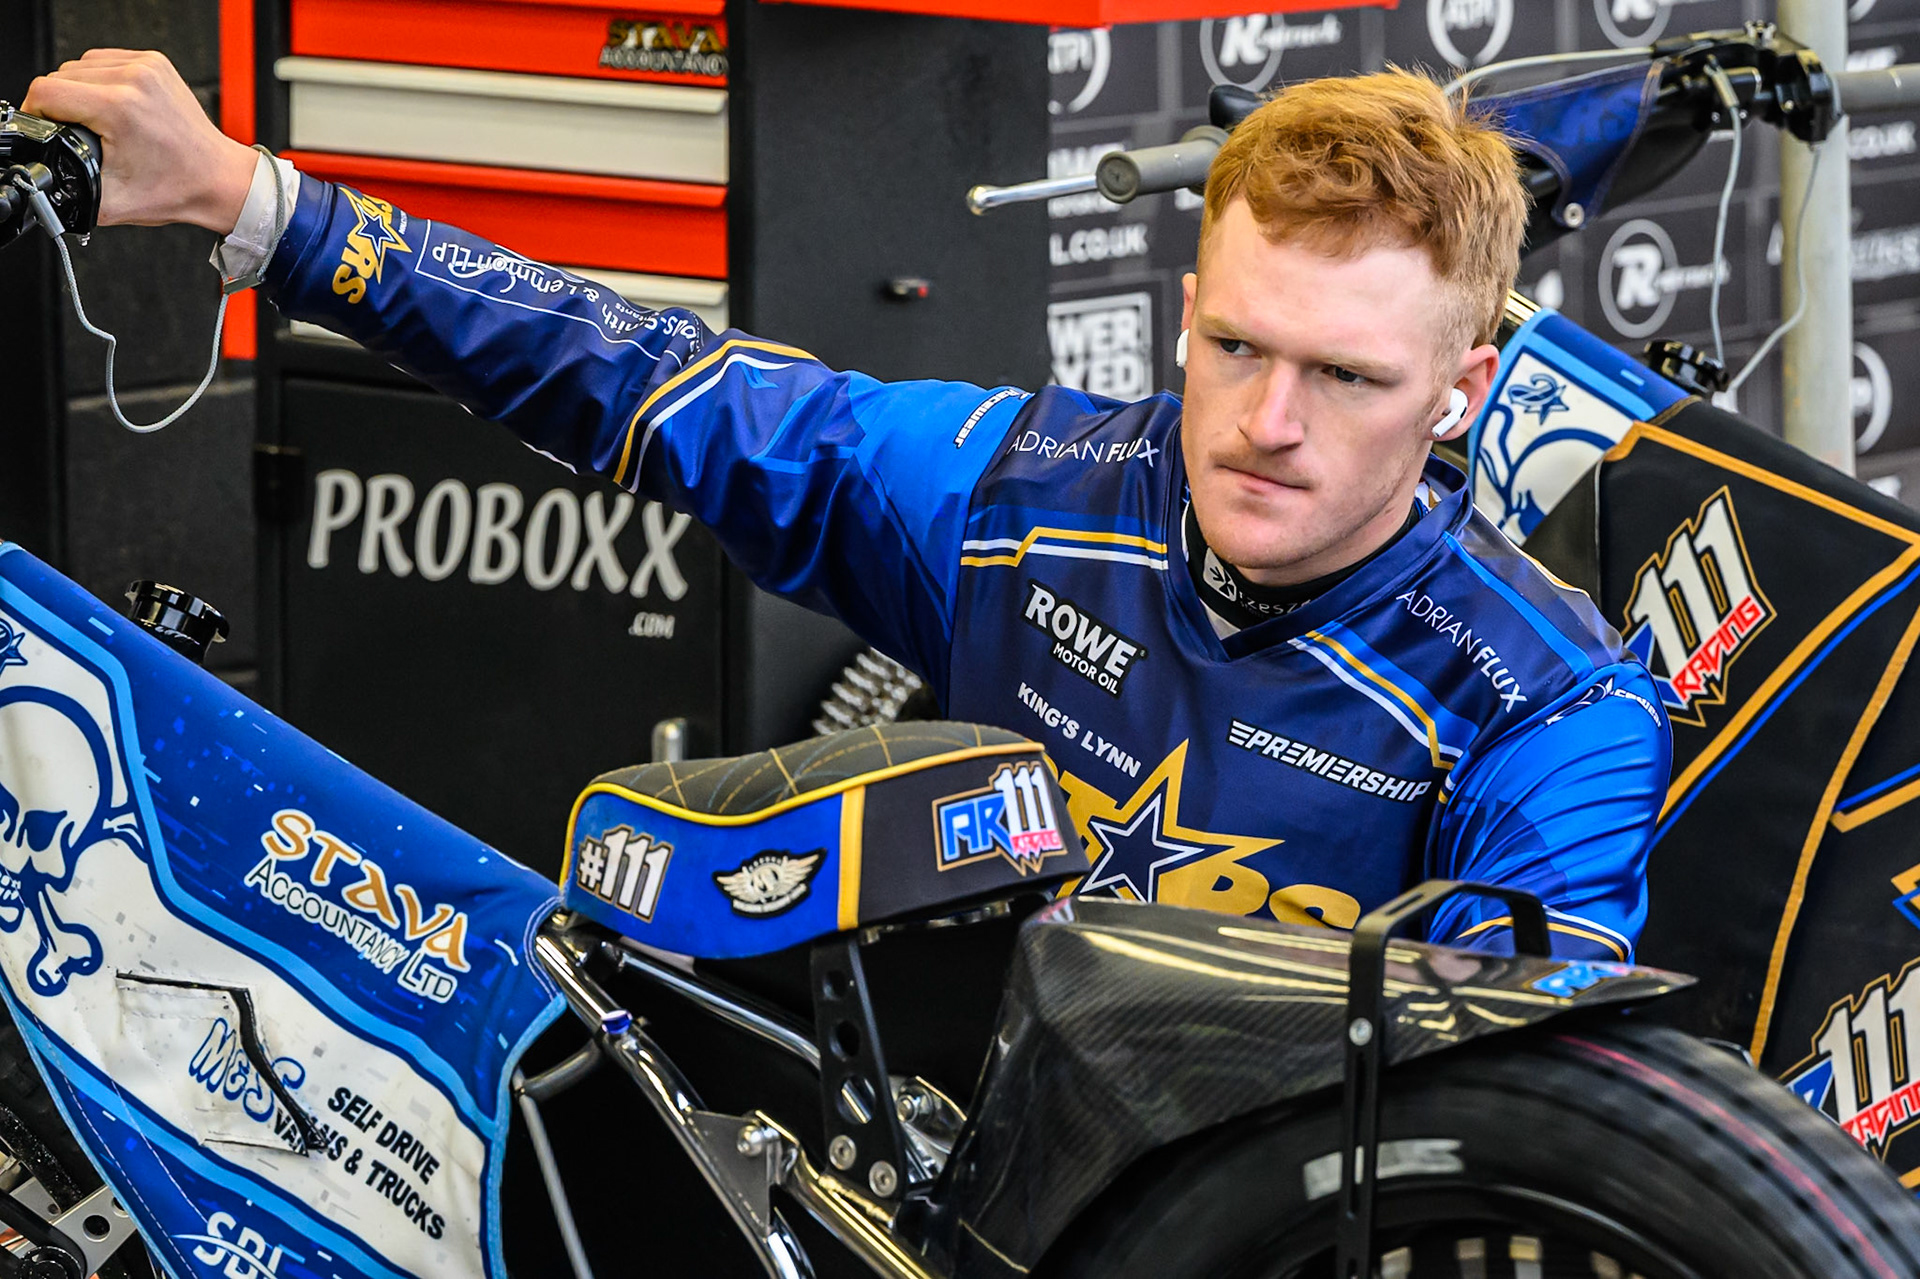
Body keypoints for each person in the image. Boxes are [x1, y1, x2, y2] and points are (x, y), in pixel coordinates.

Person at [25, 49, 1670, 960]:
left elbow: (1533, 1133)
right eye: (1233, 345)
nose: (1267, 422)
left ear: (1459, 398)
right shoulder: (1019, 494)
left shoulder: (1547, 707)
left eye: (1350, 379)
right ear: (1183, 308)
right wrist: (256, 200)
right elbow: (638, 375)